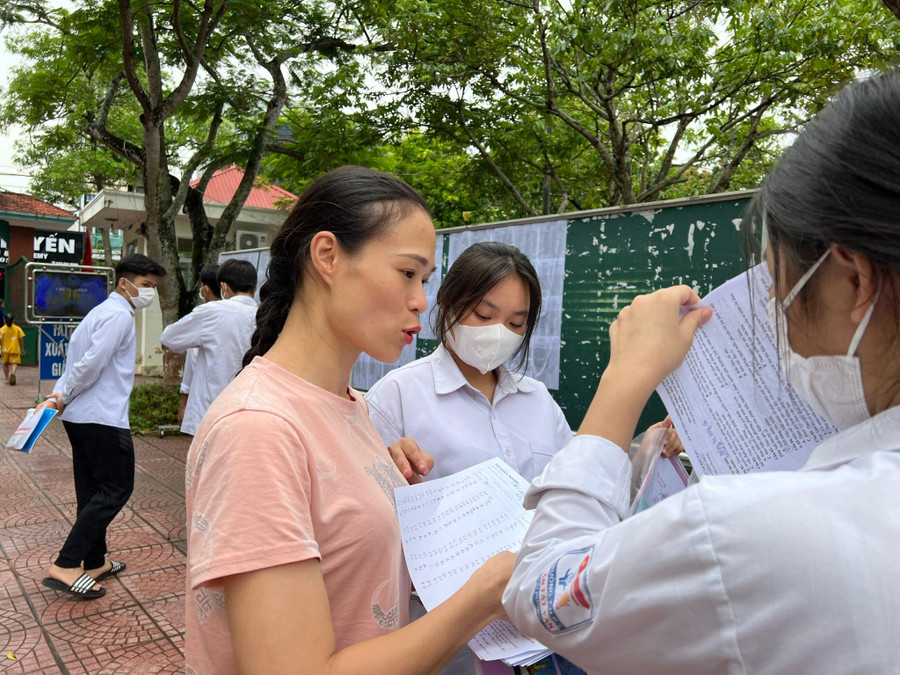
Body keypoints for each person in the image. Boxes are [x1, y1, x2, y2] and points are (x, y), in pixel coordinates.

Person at [503, 70, 900, 673]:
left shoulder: (745, 532)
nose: (775, 317)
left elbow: (543, 592)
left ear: (854, 280)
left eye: (777, 286)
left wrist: (626, 376)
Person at [184, 165, 513, 674]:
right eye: (408, 273)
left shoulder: (350, 404)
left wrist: (374, 475)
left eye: (425, 281)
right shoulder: (258, 428)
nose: (421, 302)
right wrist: (482, 598)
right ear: (327, 256)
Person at [39, 254, 166, 600]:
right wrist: (62, 395)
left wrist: (59, 396)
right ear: (125, 283)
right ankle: (67, 564)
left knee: (92, 491)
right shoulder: (119, 317)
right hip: (101, 417)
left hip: (81, 417)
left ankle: (95, 560)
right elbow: (90, 365)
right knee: (116, 489)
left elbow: (76, 360)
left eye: (153, 287)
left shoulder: (99, 312)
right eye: (145, 286)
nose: (150, 293)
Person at [160, 259, 257, 435]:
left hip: (211, 409)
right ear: (255, 289)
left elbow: (169, 337)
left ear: (224, 287)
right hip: (249, 410)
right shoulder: (264, 316)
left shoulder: (211, 312)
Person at [178, 264, 221, 427]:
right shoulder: (246, 315)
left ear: (205, 290)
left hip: (205, 404)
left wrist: (183, 405)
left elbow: (191, 365)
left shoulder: (202, 317)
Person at [1, 314, 26, 385]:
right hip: (15, 349)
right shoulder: (17, 329)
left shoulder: (2, 329)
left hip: (5, 350)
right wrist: (21, 348)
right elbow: (21, 339)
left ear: (4, 320)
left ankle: (6, 378)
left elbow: (0, 340)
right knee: (14, 363)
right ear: (13, 320)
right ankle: (13, 372)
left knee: (5, 364)